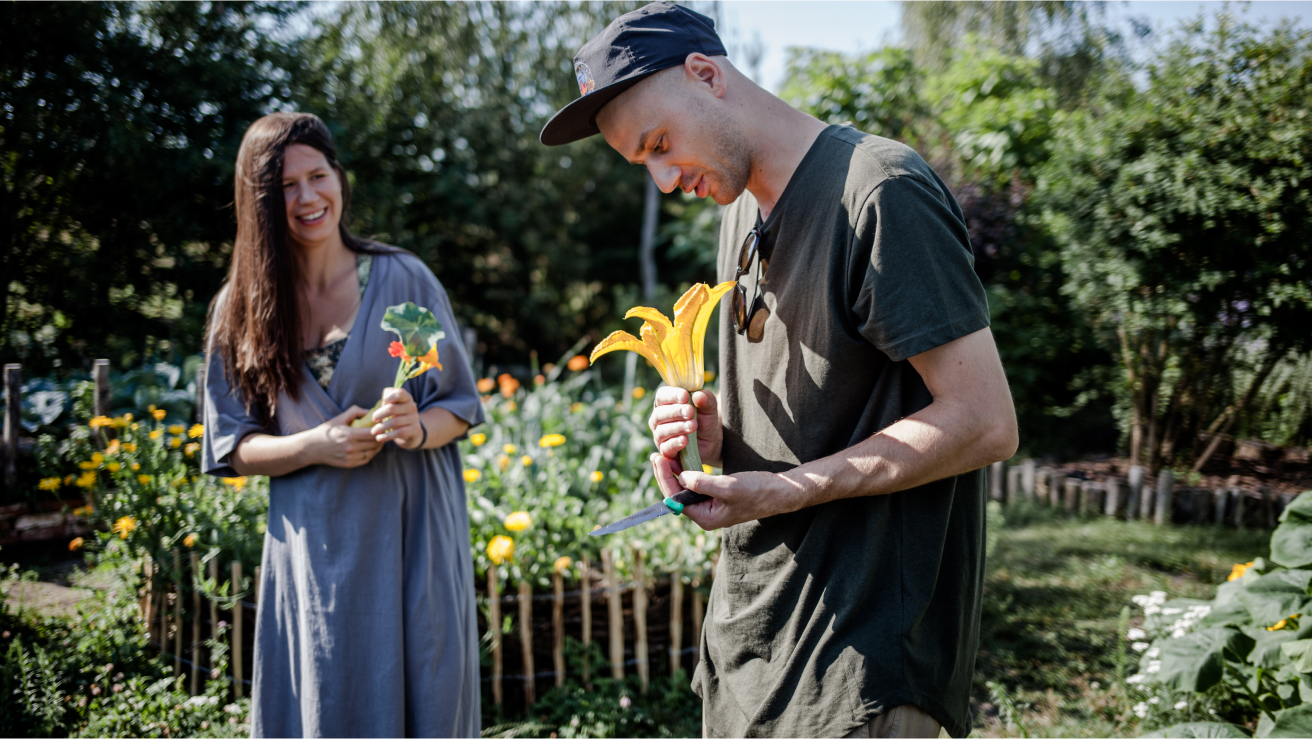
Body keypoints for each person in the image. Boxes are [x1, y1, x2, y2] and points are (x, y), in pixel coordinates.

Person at [541, 4, 1019, 738]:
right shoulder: (739, 212)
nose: (665, 180)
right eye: (645, 164)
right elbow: (815, 416)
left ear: (706, 75)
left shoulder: (878, 190)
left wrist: (788, 488)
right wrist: (715, 438)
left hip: (855, 668)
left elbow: (985, 421)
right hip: (751, 648)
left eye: (660, 143)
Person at [201, 112, 484, 737]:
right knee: (327, 700)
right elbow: (232, 446)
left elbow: (459, 406)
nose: (308, 197)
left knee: (426, 695)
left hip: (413, 542)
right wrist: (314, 445)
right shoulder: (239, 309)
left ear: (339, 178)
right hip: (314, 553)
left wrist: (416, 427)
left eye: (318, 176)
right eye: (285, 186)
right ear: (258, 202)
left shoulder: (404, 281)